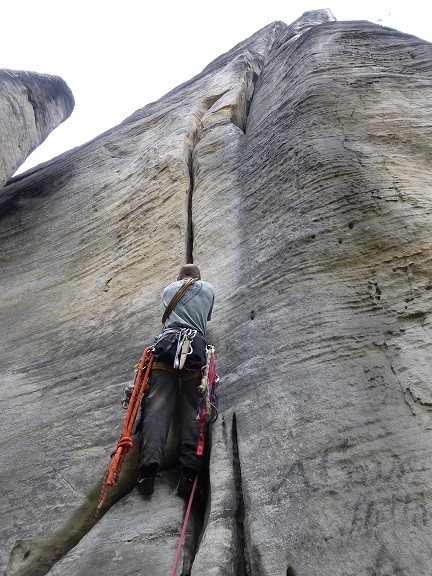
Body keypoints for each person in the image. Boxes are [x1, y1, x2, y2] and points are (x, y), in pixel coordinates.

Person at [137, 263, 215, 500]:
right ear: (199, 277)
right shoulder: (208, 289)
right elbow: (206, 318)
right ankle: (189, 475)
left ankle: (148, 471)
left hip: (167, 348)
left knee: (158, 406)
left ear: (178, 277)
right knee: (193, 407)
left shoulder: (169, 289)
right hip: (195, 349)